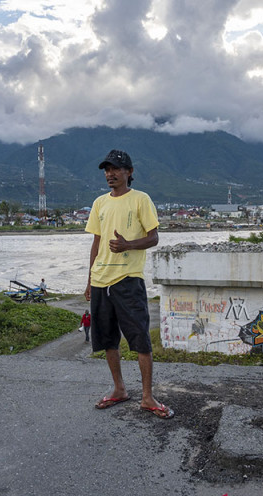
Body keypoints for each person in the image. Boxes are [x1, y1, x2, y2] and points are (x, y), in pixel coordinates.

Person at [84, 149, 174, 419]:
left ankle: (147, 397)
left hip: (127, 280)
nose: (110, 174)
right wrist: (89, 279)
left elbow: (154, 237)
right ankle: (119, 389)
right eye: (107, 169)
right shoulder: (99, 203)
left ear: (129, 172)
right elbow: (96, 243)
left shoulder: (141, 200)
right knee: (108, 340)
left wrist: (127, 245)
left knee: (140, 340)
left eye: (116, 169)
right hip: (101, 281)